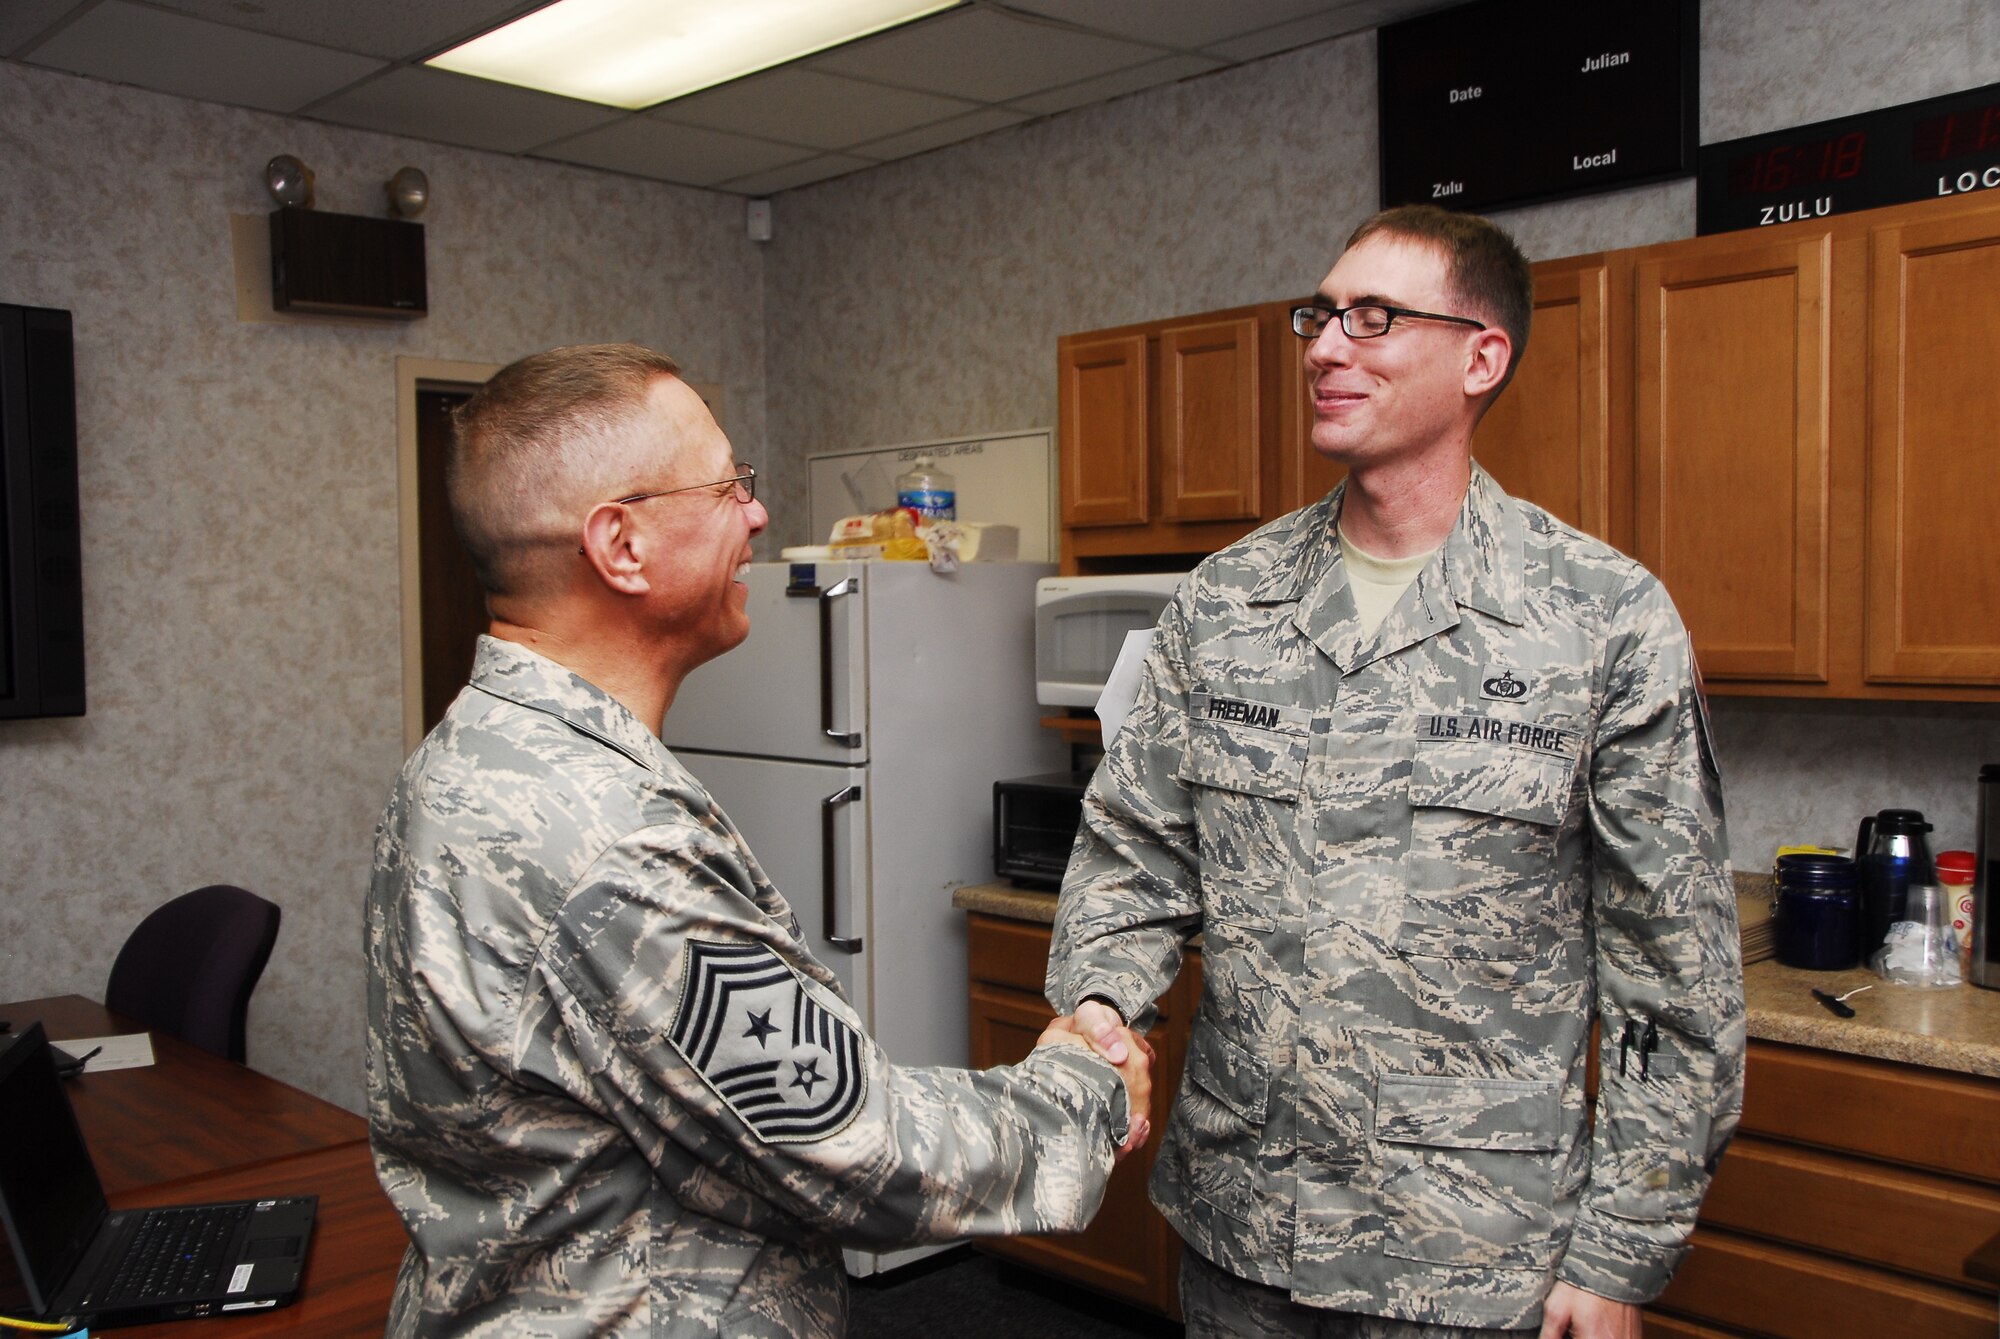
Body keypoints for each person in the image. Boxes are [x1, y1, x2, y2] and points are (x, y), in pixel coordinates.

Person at [1048, 205, 1745, 1339]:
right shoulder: (1227, 601)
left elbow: (1672, 976)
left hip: (1467, 1255)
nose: (1325, 347)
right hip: (1241, 1234)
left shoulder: (1600, 620)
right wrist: (1096, 1004)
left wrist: (1619, 1256)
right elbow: (1133, 853)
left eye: (1372, 318)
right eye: (1318, 317)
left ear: (1481, 357)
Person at [364, 343, 1152, 1339]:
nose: (758, 512)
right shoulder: (605, 836)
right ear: (620, 545)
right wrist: (1079, 1087)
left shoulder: (471, 754)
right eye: (728, 483)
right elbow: (851, 1143)